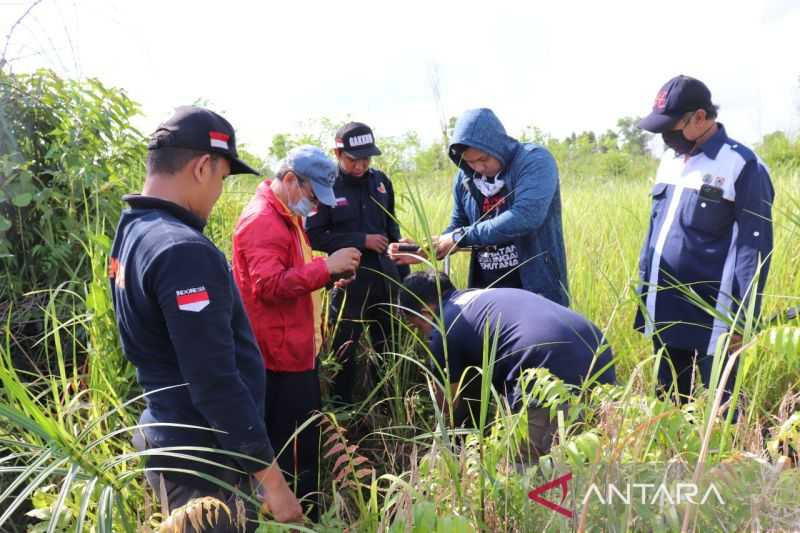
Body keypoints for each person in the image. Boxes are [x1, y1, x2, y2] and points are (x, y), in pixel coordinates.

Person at [109, 106, 302, 529]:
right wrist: (273, 482)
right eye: (221, 177)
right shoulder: (183, 252)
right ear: (202, 166)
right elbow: (214, 380)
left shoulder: (133, 231)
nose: (218, 192)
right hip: (203, 461)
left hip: (167, 435)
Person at [232, 145, 361, 520]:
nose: (315, 206)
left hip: (295, 350)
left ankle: (306, 516)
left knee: (306, 446)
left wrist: (328, 277)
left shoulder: (286, 216)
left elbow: (290, 279)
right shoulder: (262, 220)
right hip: (277, 359)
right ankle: (297, 519)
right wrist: (326, 267)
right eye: (311, 195)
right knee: (293, 453)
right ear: (290, 180)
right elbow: (268, 285)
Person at [634, 75, 774, 406]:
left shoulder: (743, 165)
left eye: (673, 127)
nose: (667, 137)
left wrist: (742, 319)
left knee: (722, 406)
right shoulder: (669, 161)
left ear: (700, 117)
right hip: (665, 305)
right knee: (668, 401)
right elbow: (655, 230)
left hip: (713, 312)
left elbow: (754, 250)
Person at [399, 270, 615, 461]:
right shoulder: (485, 298)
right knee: (588, 459)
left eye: (417, 326)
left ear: (425, 312)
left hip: (546, 370)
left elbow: (449, 405)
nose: (423, 334)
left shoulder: (445, 326)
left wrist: (447, 449)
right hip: (598, 355)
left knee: (525, 470)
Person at [390, 108, 569, 307]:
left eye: (484, 159)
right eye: (469, 161)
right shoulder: (465, 178)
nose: (479, 167)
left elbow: (526, 215)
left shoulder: (534, 161)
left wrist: (459, 237)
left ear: (497, 146)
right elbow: (459, 226)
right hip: (487, 293)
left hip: (536, 289)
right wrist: (429, 249)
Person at [305, 122, 408, 405]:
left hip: (386, 283)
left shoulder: (381, 182)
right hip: (348, 283)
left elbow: (392, 231)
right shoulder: (325, 187)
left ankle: (390, 410)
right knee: (344, 352)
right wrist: (361, 239)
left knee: (388, 349)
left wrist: (402, 270)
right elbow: (313, 235)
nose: (360, 165)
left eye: (366, 158)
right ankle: (345, 417)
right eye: (353, 159)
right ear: (337, 153)